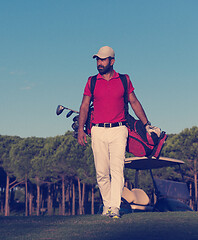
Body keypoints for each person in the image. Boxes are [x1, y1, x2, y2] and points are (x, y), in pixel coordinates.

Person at [77, 46, 150, 218]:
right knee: (101, 172)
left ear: (112, 61)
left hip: (119, 130)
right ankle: (107, 204)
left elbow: (134, 102)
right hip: (97, 130)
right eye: (97, 59)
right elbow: (84, 106)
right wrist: (81, 129)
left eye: (103, 59)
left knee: (117, 170)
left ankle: (114, 207)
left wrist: (147, 124)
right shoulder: (91, 81)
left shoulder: (124, 79)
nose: (99, 63)